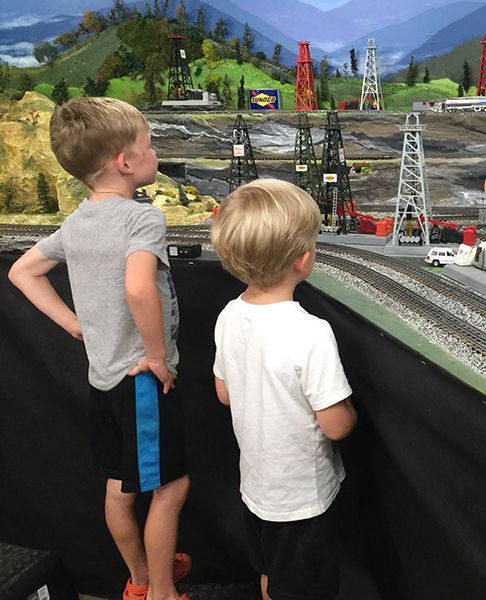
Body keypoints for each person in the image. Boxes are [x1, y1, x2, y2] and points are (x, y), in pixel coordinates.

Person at [8, 97, 191, 600]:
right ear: (125, 162)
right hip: (142, 382)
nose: (154, 151)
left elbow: (22, 272)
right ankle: (162, 594)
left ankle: (139, 579)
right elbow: (139, 288)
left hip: (103, 381)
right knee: (169, 488)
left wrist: (74, 323)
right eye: (149, 144)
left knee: (120, 486)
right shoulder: (141, 220)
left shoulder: (77, 221)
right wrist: (156, 357)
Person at [211, 179, 358, 600]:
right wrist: (350, 413)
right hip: (302, 501)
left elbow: (224, 394)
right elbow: (335, 426)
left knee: (271, 575)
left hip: (256, 490)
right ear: (304, 258)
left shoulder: (228, 315)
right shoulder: (310, 332)